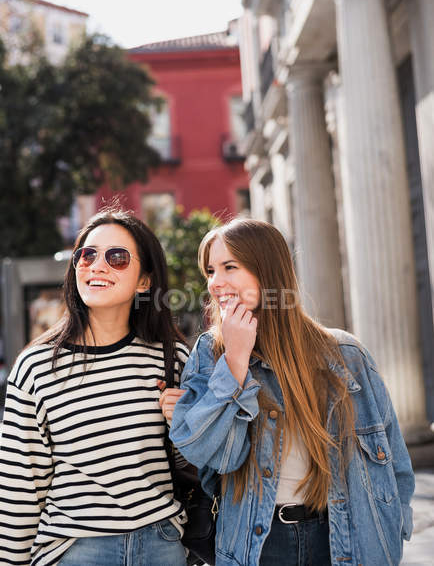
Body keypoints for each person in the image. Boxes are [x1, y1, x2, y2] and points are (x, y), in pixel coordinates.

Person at [163, 218, 415, 566]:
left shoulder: (346, 355)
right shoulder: (212, 353)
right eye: (210, 271)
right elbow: (215, 455)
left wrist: (393, 528)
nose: (215, 283)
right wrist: (235, 362)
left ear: (267, 270)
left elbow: (395, 461)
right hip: (260, 544)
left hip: (348, 537)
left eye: (229, 267)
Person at [0, 207, 189, 566]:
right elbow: (20, 488)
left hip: (161, 544)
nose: (97, 266)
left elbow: (190, 463)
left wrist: (183, 424)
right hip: (76, 550)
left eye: (117, 257)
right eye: (86, 255)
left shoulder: (171, 357)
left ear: (145, 281)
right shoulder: (37, 367)